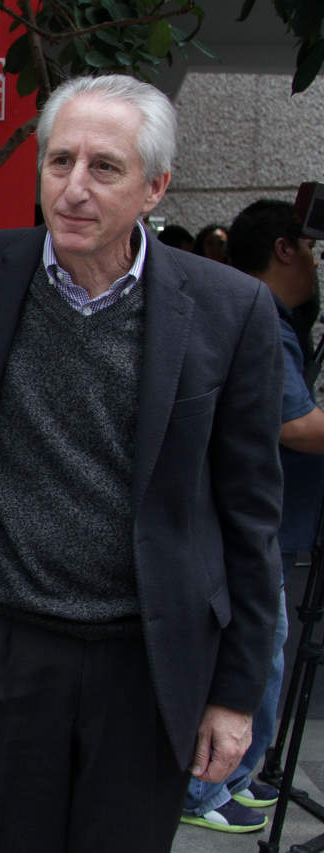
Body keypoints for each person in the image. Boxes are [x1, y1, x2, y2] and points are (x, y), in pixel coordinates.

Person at [0, 74, 282, 853]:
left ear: (155, 187)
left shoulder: (228, 308)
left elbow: (251, 516)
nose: (74, 189)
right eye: (59, 162)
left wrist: (236, 695)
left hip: (148, 660)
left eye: (104, 167)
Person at [180, 198, 324, 832]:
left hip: (260, 521)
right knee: (258, 646)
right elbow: (295, 424)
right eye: (311, 248)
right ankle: (205, 788)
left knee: (265, 645)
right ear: (285, 249)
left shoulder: (256, 311)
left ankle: (228, 776)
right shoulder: (256, 311)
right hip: (247, 524)